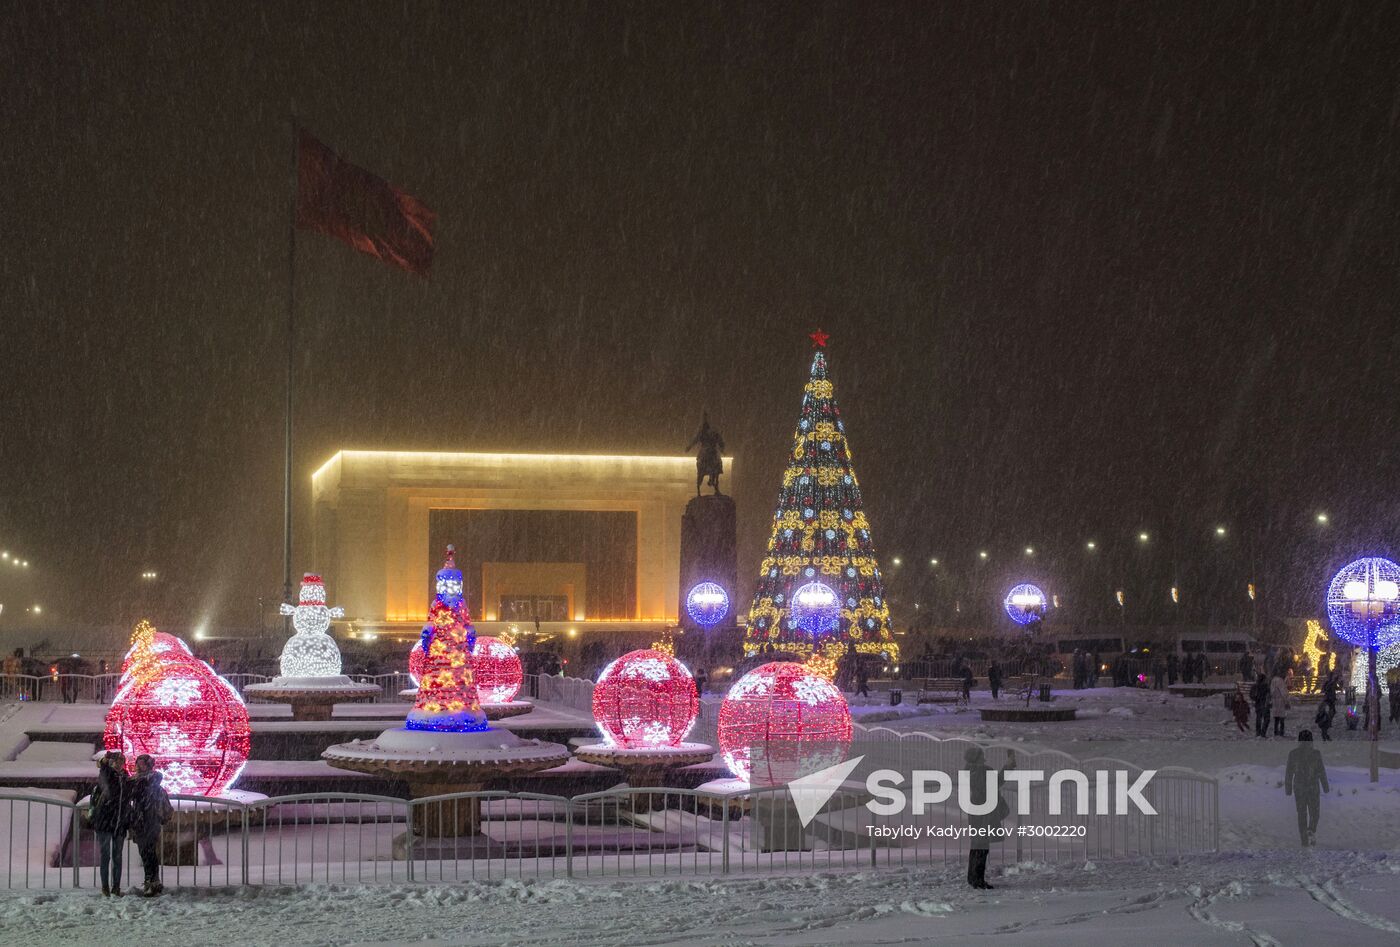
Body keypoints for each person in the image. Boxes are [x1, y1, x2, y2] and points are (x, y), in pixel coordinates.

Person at [964, 746, 1014, 889]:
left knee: (977, 845)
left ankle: (973, 878)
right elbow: (996, 783)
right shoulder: (980, 772)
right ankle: (977, 880)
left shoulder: (972, 771)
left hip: (979, 812)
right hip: (983, 813)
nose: (983, 757)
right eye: (981, 755)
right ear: (976, 758)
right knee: (981, 846)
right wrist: (1008, 767)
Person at [128, 754, 172, 896]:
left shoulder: (145, 781)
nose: (138, 766)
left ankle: (151, 881)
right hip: (143, 821)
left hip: (148, 820)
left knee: (148, 852)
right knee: (147, 852)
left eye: (142, 764)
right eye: (138, 763)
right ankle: (153, 881)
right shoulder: (141, 781)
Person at [91, 751, 130, 896]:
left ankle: (116, 887)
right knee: (106, 855)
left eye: (121, 761)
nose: (119, 764)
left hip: (119, 822)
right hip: (106, 821)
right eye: (116, 761)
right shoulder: (107, 774)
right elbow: (103, 767)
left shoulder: (125, 778)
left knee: (117, 856)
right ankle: (105, 887)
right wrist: (105, 760)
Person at [1284, 730, 1329, 847]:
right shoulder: (1316, 754)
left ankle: (1304, 839)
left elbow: (1289, 772)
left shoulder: (1293, 754)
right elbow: (1321, 771)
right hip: (1313, 787)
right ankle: (1311, 830)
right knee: (1315, 813)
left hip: (1299, 788)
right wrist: (1325, 786)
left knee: (1301, 814)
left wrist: (1288, 788)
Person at [1250, 674, 1272, 738]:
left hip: (1257, 704)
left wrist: (1256, 698)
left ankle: (1258, 732)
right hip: (1264, 704)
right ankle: (1263, 733)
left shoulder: (1254, 686)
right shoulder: (1266, 686)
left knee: (1258, 718)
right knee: (1266, 719)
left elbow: (1251, 695)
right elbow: (1269, 695)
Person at [1270, 671, 1290, 738]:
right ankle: (1281, 732)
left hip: (1275, 701)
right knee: (1281, 717)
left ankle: (1276, 731)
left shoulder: (1273, 680)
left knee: (1276, 718)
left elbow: (1271, 691)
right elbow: (1283, 692)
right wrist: (1287, 702)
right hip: (1280, 701)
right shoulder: (1280, 681)